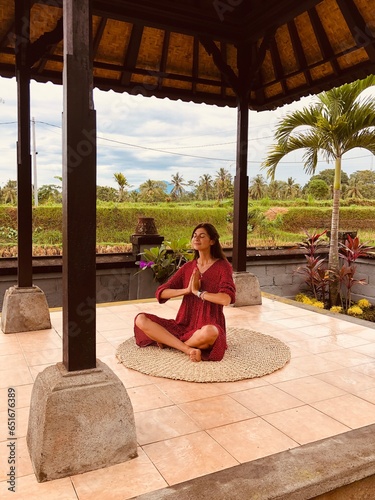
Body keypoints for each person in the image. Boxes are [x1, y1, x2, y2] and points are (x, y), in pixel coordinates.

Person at [134, 223, 236, 362]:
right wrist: (187, 291)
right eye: (194, 236)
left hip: (207, 325)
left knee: (210, 333)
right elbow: (161, 292)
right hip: (182, 325)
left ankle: (169, 342)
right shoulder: (188, 267)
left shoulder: (223, 266)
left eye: (202, 236)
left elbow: (226, 299)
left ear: (212, 241)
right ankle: (187, 349)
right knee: (141, 319)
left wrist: (198, 292)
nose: (196, 239)